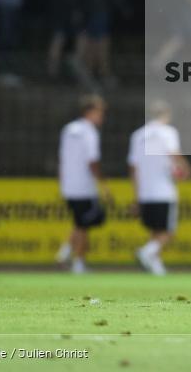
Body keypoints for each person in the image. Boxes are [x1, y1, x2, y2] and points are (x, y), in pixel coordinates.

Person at [129, 100, 191, 275]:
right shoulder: (168, 132)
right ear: (166, 115)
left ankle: (155, 265)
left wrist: (136, 195)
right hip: (164, 190)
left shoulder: (137, 135)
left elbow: (133, 168)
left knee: (154, 230)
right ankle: (147, 252)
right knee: (168, 231)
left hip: (145, 192)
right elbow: (174, 154)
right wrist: (186, 169)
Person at [57, 94, 110, 274]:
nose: (102, 117)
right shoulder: (89, 131)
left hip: (69, 184)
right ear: (91, 112)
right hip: (84, 186)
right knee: (83, 225)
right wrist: (103, 185)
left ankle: (64, 253)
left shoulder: (69, 129)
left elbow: (63, 158)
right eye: (100, 112)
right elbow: (92, 161)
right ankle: (78, 262)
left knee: (79, 221)